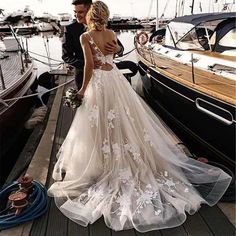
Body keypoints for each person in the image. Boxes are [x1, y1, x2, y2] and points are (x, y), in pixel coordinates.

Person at [48, 1, 231, 232]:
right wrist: (110, 55)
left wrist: (83, 90)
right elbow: (95, 58)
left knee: (101, 122)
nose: (79, 16)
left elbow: (88, 67)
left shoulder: (86, 37)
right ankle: (116, 159)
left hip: (98, 83)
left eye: (83, 13)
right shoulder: (111, 32)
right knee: (124, 120)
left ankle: (103, 164)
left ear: (91, 15)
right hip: (114, 79)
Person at [62, 0, 124, 89]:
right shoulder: (70, 29)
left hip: (107, 78)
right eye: (75, 12)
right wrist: (88, 64)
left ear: (90, 11)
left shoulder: (105, 27)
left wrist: (118, 49)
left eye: (80, 12)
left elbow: (121, 49)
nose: (76, 15)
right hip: (82, 77)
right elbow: (66, 56)